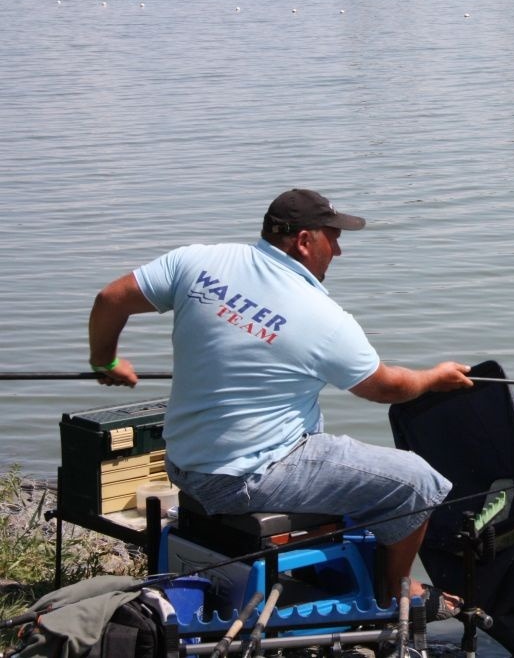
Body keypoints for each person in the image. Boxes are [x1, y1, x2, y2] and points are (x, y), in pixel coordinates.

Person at [88, 188, 473, 619]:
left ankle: (348, 565)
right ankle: (394, 593)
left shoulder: (197, 260)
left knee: (343, 453)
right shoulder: (322, 318)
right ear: (305, 241)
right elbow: (384, 388)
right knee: (419, 481)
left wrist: (106, 360)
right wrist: (434, 378)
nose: (340, 251)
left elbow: (110, 299)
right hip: (247, 477)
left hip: (182, 463)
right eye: (334, 238)